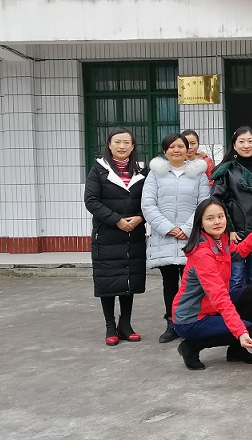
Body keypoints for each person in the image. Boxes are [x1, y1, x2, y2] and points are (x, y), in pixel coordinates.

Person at [172, 197, 252, 370]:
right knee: (247, 329)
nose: (217, 222)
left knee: (251, 293)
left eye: (220, 216)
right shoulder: (203, 254)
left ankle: (236, 352)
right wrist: (240, 331)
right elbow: (219, 296)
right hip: (190, 319)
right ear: (201, 223)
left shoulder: (221, 241)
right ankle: (191, 346)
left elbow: (239, 252)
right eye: (210, 218)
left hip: (210, 308)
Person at [142, 133, 210, 343]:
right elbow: (148, 205)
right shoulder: (155, 174)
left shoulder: (199, 174)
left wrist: (187, 228)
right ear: (165, 151)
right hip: (165, 238)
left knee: (192, 283)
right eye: (171, 147)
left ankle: (190, 322)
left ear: (187, 149)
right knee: (169, 283)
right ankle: (172, 323)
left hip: (191, 238)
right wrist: (169, 228)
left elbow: (204, 204)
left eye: (180, 146)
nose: (176, 150)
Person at [84, 127, 147, 346]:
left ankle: (126, 324)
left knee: (129, 278)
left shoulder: (142, 171)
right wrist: (117, 220)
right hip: (107, 235)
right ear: (109, 145)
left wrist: (140, 217)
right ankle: (110, 326)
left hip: (134, 234)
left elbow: (151, 199)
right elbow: (91, 201)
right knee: (108, 280)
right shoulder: (98, 170)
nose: (122, 146)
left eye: (126, 142)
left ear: (133, 146)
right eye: (117, 142)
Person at [211, 127, 252, 294]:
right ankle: (234, 310)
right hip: (235, 234)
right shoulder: (226, 170)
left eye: (250, 141)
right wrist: (229, 229)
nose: (246, 145)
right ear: (234, 145)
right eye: (241, 141)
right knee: (236, 278)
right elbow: (216, 201)